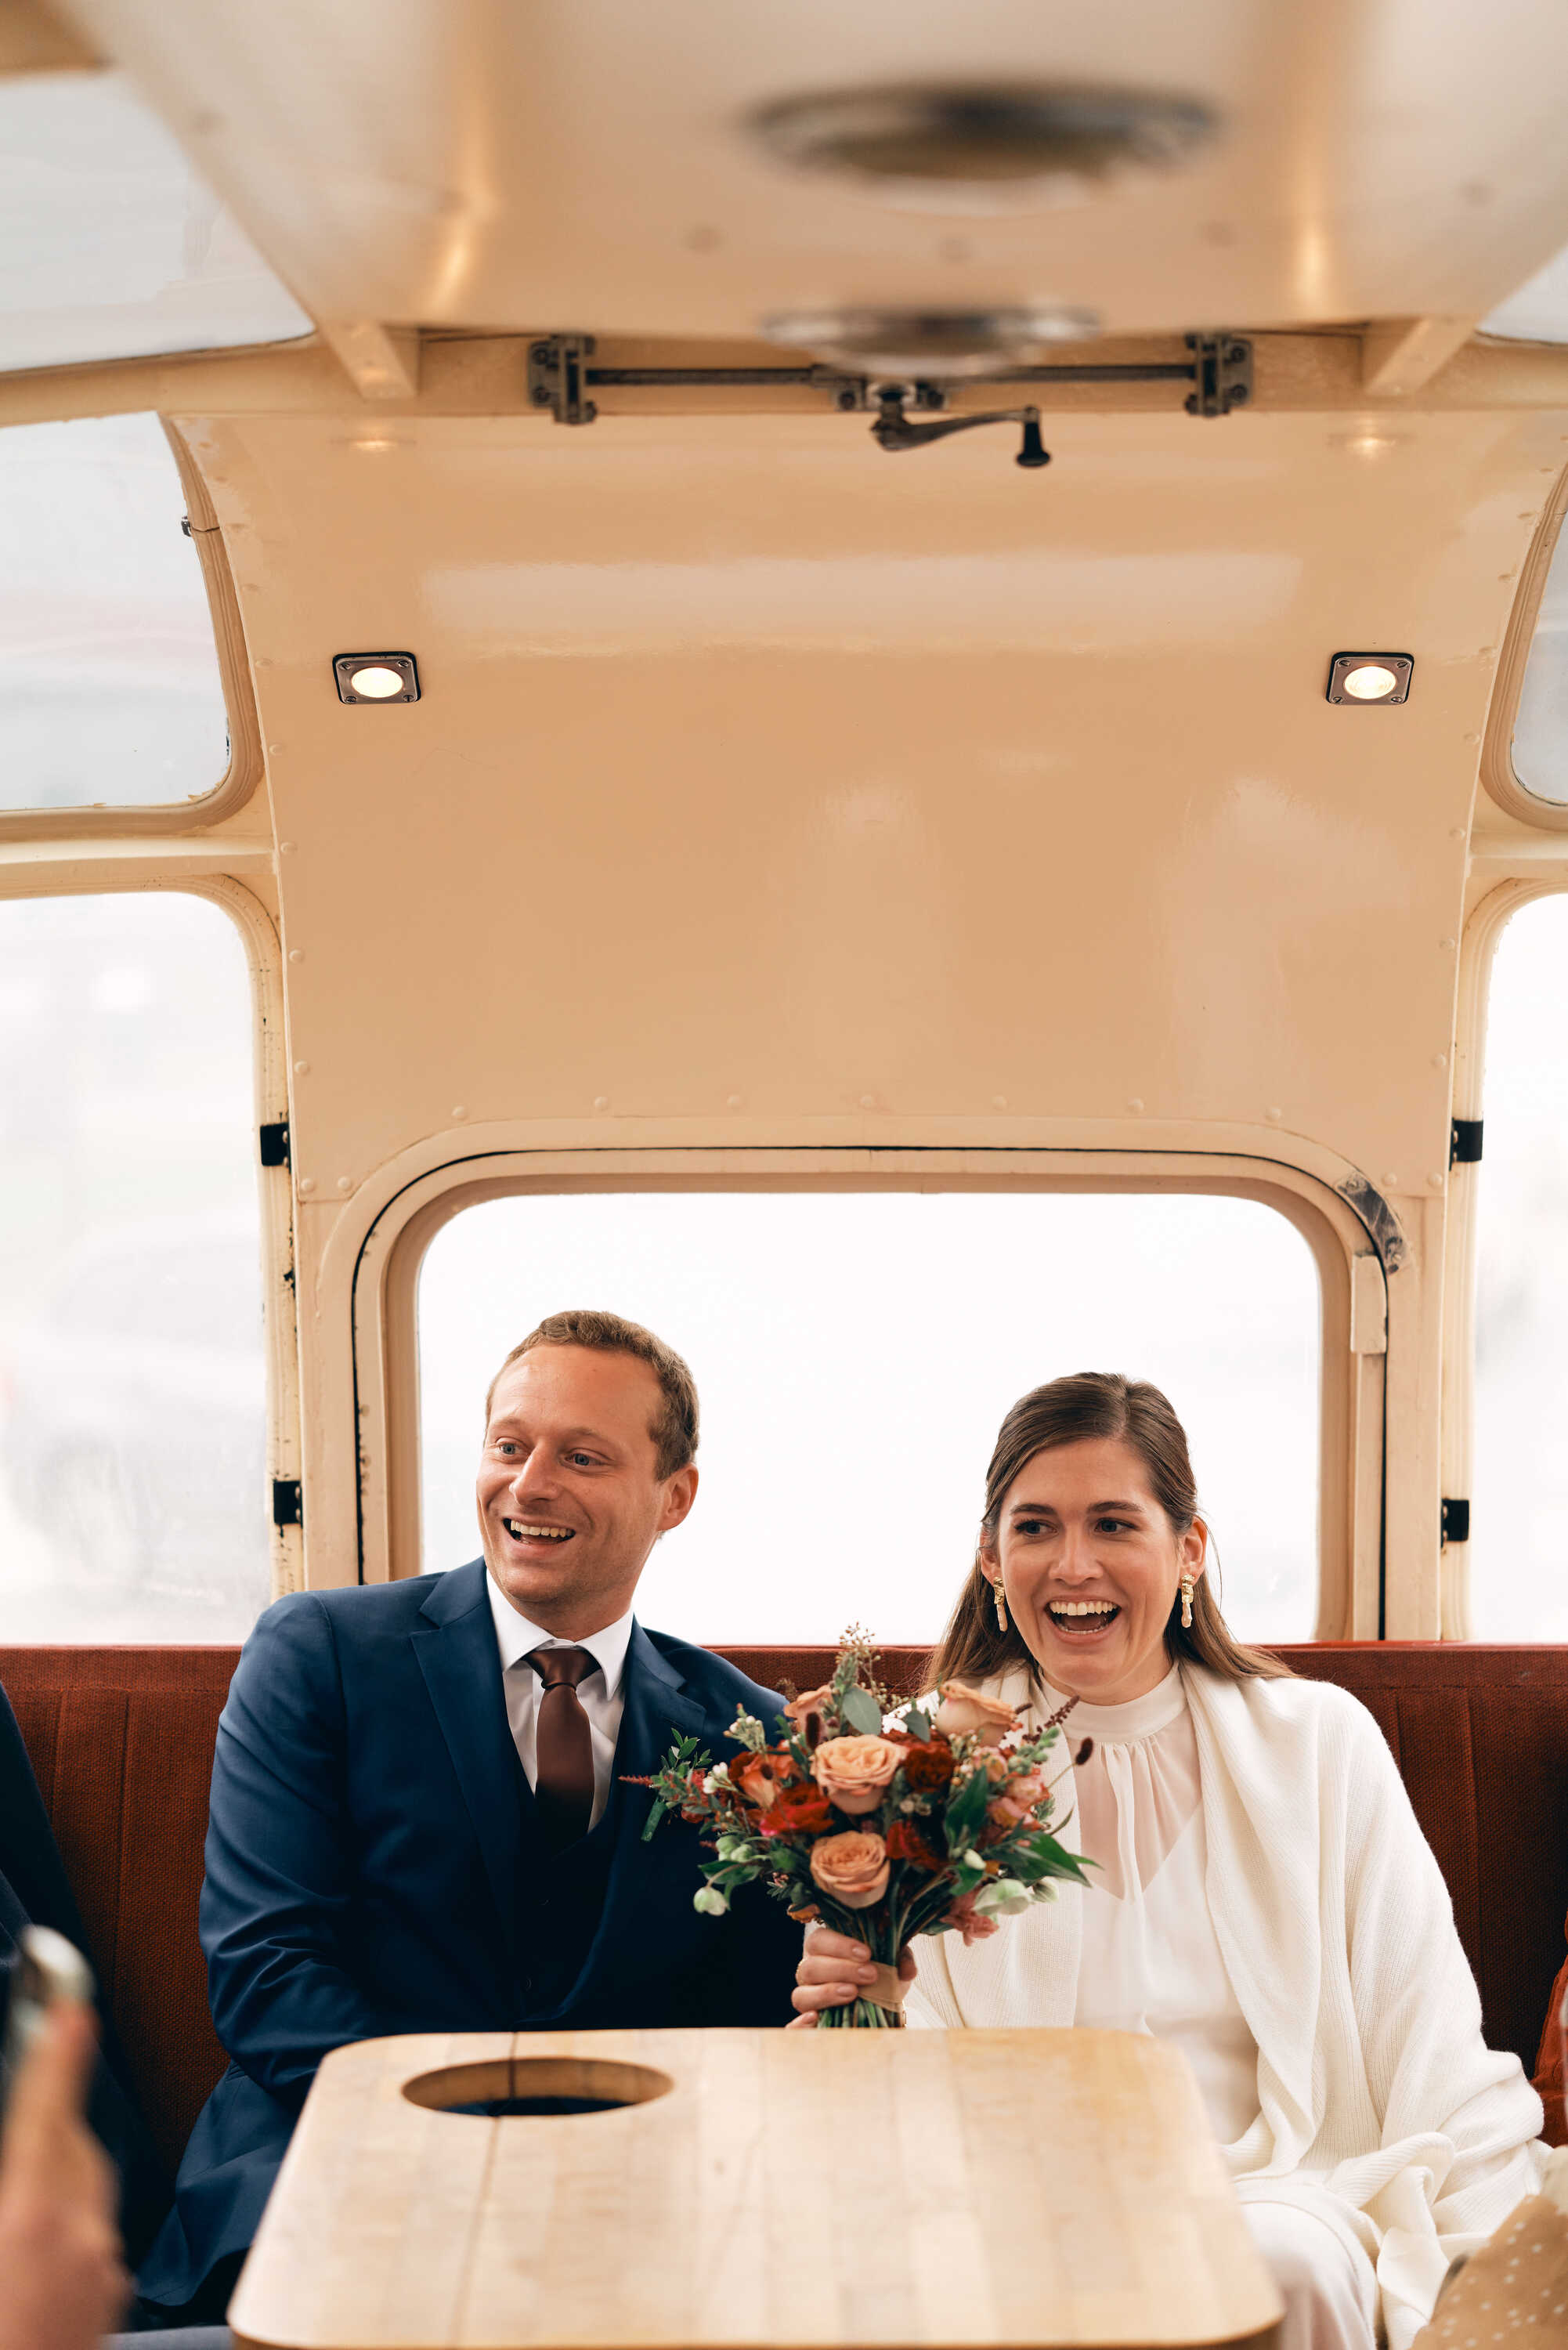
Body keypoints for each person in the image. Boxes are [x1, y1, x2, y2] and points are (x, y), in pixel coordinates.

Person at [793, 1372, 1545, 2350]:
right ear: (990, 1557)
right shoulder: (908, 1762)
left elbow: (1428, 2032)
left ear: (1187, 1549)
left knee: (1275, 2263)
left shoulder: (1319, 1743)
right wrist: (864, 1997)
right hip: (1007, 2195)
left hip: (1278, 2192)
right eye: (1034, 1528)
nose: (1073, 1566)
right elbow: (876, 2077)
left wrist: (1499, 2273)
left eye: (1113, 1524)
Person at [135, 1310, 803, 2323]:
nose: (528, 1485)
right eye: (507, 1446)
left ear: (675, 1497)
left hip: (636, 2197)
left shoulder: (743, 1730)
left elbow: (754, 2015)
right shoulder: (318, 1655)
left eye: (580, 1456)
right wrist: (486, 2157)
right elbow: (270, 1972)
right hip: (329, 2169)